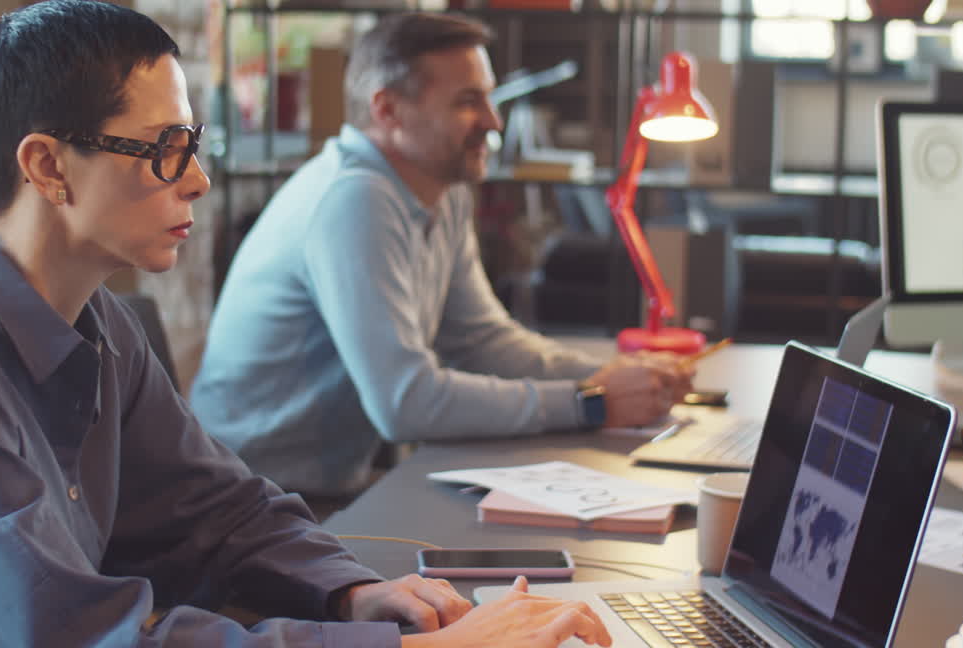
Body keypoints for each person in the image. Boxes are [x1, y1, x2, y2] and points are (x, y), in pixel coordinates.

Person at [0, 2, 612, 648]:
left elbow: (222, 510)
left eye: (195, 141)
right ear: (46, 167)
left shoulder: (99, 324)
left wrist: (356, 590)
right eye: (165, 148)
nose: (200, 179)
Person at [190, 12, 693, 504]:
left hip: (330, 487)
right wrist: (592, 404)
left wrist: (613, 378)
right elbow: (405, 403)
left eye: (489, 97)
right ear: (387, 110)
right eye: (468, 102)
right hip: (250, 505)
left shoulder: (441, 187)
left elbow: (483, 340)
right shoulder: (354, 199)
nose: (493, 121)